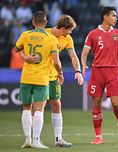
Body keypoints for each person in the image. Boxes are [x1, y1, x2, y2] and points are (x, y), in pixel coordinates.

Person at [20, 14, 84, 148]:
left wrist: (78, 71)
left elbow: (73, 56)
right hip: (40, 75)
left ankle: (58, 138)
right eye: (70, 30)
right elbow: (22, 48)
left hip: (53, 76)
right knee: (37, 107)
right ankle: (34, 139)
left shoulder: (67, 39)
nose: (70, 32)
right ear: (63, 28)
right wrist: (26, 58)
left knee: (56, 105)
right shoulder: (45, 34)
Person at [81, 6, 118, 145]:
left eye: (116, 16)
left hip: (113, 71)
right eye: (113, 16)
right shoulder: (92, 34)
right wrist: (83, 65)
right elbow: (84, 53)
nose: (116, 18)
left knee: (116, 103)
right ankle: (98, 136)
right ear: (105, 17)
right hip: (97, 72)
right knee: (96, 103)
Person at [15, 11, 63, 149]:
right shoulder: (51, 39)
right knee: (39, 110)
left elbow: (17, 49)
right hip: (41, 78)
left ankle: (27, 140)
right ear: (46, 22)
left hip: (26, 77)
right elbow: (57, 63)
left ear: (33, 22)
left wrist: (25, 58)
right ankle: (36, 140)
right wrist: (60, 73)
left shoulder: (25, 35)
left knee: (26, 108)